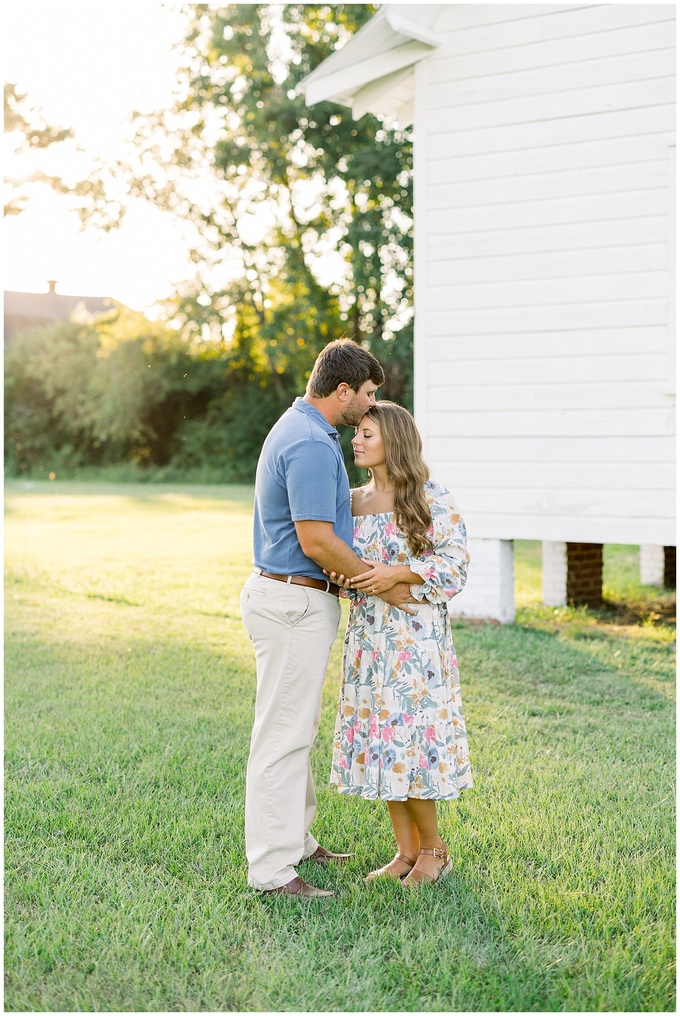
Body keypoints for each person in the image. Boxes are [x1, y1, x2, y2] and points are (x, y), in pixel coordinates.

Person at [240, 340, 418, 899]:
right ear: (342, 390)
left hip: (290, 598)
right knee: (283, 737)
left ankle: (295, 842)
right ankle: (272, 872)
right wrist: (380, 583)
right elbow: (316, 539)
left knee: (296, 729)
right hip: (293, 602)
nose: (368, 408)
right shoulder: (314, 444)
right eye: (365, 396)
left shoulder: (299, 428)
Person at [328, 401, 472, 887]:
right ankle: (405, 852)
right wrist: (343, 575)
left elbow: (454, 564)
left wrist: (396, 573)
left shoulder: (430, 496)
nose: (358, 440)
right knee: (385, 741)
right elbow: (345, 568)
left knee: (411, 742)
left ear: (395, 440)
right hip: (370, 640)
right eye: (357, 433)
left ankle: (435, 849)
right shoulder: (351, 502)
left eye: (368, 433)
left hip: (416, 642)